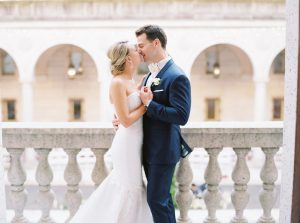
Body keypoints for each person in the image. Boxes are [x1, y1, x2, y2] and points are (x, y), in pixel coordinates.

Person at [69, 41, 153, 223]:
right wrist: (146, 105)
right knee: (128, 187)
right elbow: (125, 120)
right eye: (136, 50)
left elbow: (127, 111)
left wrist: (140, 92)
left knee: (134, 187)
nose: (140, 52)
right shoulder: (117, 82)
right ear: (129, 59)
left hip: (136, 143)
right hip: (126, 144)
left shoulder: (130, 81)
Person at [114, 25, 192, 223]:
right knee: (158, 201)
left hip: (163, 149)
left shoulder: (177, 76)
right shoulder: (149, 75)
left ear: (156, 43)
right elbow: (138, 107)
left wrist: (150, 103)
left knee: (157, 201)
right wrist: (123, 119)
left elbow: (181, 116)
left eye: (142, 45)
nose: (139, 50)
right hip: (146, 149)